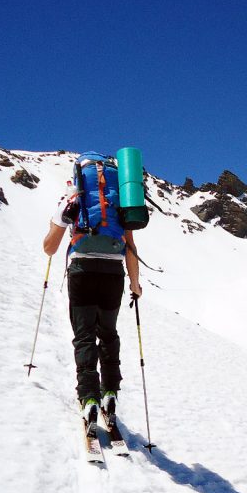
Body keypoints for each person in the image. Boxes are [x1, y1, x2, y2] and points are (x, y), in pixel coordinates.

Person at [43, 153, 142, 428]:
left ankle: (89, 398)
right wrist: (135, 283)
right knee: (108, 334)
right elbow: (130, 245)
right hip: (113, 272)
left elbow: (49, 248)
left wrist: (63, 219)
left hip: (82, 271)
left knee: (84, 336)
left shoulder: (72, 200)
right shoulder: (119, 202)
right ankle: (110, 391)